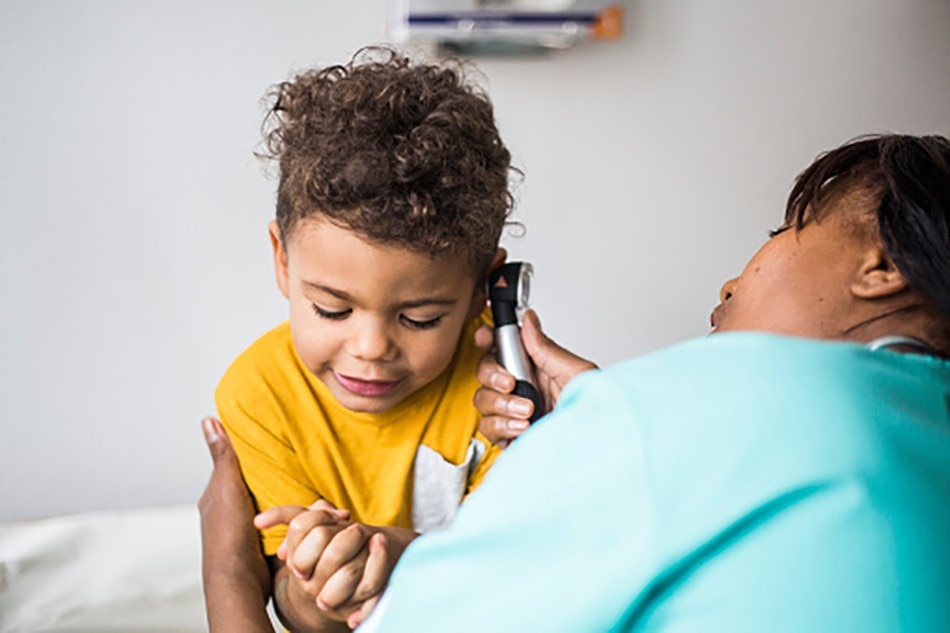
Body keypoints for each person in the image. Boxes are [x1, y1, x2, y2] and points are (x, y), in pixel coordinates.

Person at [201, 133, 950, 632]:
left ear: (881, 264)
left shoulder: (707, 397)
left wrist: (229, 568)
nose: (732, 279)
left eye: (779, 233)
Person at [207, 46, 516, 631]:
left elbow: (508, 573)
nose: (371, 347)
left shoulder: (502, 392)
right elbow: (291, 605)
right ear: (282, 260)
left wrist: (391, 552)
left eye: (420, 318)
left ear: (483, 287)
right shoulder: (259, 395)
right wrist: (321, 585)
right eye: (331, 309)